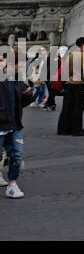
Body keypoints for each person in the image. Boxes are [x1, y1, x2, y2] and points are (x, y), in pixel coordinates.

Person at [0, 60, 33, 198]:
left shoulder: (17, 81)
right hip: (1, 124)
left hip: (14, 124)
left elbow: (22, 103)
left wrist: (28, 94)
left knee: (16, 155)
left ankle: (12, 184)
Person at [58, 38, 84, 136]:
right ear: (82, 45)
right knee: (79, 107)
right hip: (80, 84)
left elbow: (66, 70)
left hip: (71, 83)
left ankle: (67, 128)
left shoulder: (71, 55)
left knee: (70, 106)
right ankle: (77, 129)